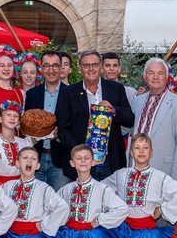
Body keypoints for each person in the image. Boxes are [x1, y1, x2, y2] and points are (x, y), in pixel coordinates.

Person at [56, 50, 135, 181]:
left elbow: (129, 119)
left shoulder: (116, 88)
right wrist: (78, 150)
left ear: (100, 67)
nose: (91, 69)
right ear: (80, 68)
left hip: (111, 161)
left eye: (95, 64)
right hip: (82, 163)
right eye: (86, 65)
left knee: (109, 200)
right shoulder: (68, 93)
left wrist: (113, 110)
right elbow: (63, 128)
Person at [131, 57, 177, 180]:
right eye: (151, 73)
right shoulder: (137, 101)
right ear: (145, 77)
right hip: (134, 169)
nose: (155, 77)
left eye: (160, 73)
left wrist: (175, 182)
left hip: (163, 173)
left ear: (167, 77)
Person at [25, 50, 69, 190]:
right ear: (42, 68)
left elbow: (74, 126)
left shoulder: (71, 93)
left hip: (60, 160)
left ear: (61, 67)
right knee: (35, 203)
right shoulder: (32, 94)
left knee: (60, 204)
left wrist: (59, 135)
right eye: (46, 66)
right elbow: (27, 124)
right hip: (35, 158)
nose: (51, 70)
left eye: (55, 65)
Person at [0, 101, 33, 185]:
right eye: (8, 115)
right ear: (0, 119)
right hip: (0, 189)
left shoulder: (24, 144)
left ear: (18, 121)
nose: (12, 118)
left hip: (19, 187)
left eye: (16, 116)